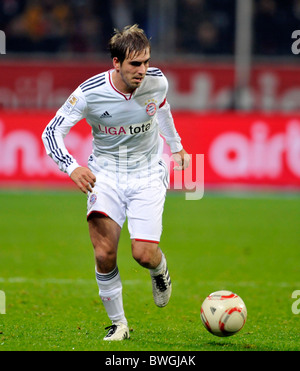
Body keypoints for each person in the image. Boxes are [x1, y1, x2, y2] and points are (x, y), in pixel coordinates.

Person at [42, 24, 190, 341]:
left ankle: (159, 269)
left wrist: (176, 146)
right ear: (116, 63)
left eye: (146, 61)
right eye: (135, 64)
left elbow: (163, 110)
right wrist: (71, 167)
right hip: (106, 175)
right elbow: (51, 132)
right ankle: (119, 324)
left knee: (143, 254)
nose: (142, 70)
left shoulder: (157, 82)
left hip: (148, 172)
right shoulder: (89, 92)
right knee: (104, 252)